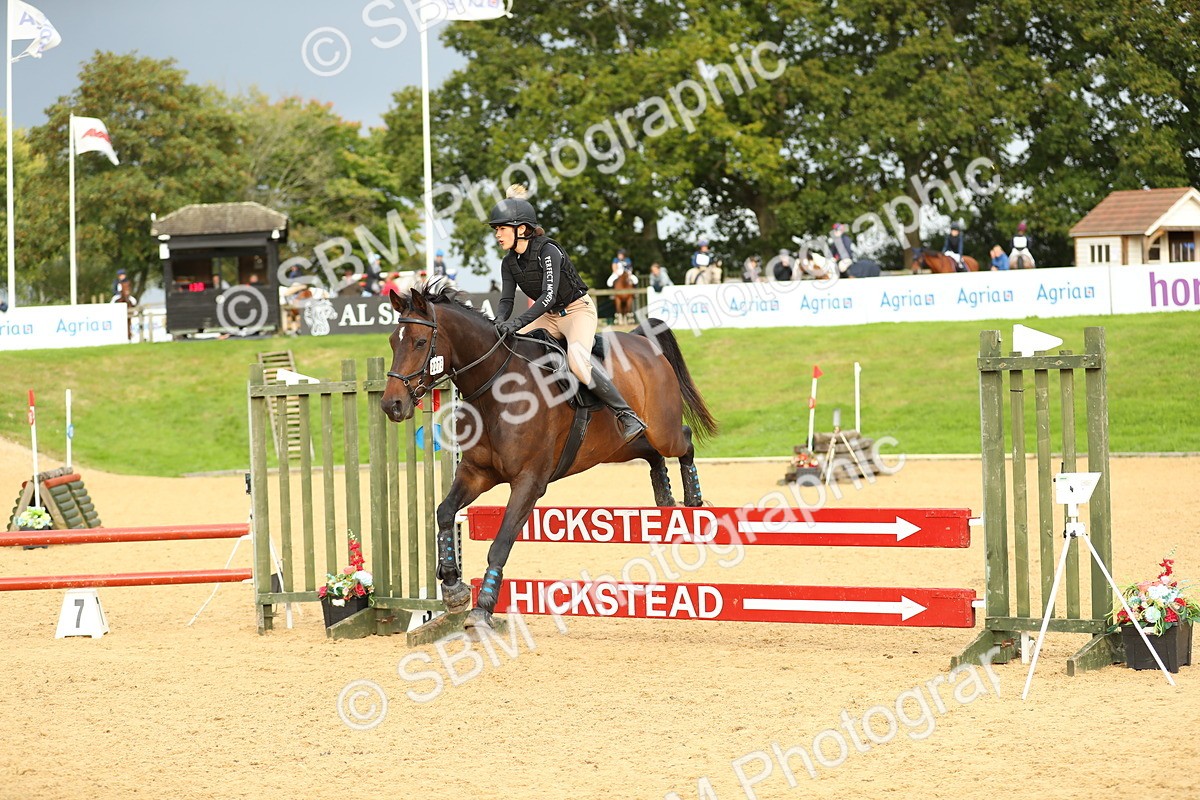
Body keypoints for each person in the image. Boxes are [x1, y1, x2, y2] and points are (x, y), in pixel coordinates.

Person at [490, 185, 646, 442]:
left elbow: (548, 296)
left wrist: (516, 322)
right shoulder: (508, 262)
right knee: (510, 346)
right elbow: (506, 299)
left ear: (522, 229)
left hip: (577, 311)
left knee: (578, 363)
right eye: (496, 229)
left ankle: (627, 415)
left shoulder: (548, 251)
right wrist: (498, 323)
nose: (497, 234)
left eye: (502, 228)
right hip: (549, 316)